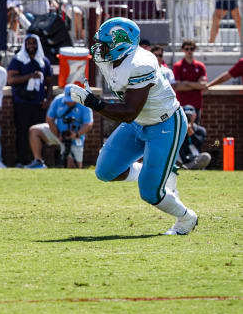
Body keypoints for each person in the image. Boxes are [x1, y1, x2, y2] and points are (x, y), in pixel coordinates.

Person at [68, 17, 197, 235]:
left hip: (164, 125)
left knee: (150, 193)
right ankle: (153, 172)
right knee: (106, 171)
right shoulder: (110, 58)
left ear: (122, 45)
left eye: (106, 44)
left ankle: (186, 218)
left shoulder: (140, 63)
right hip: (138, 123)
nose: (100, 48)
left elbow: (129, 112)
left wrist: (91, 101)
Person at [7, 34, 52, 167]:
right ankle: (21, 160)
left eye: (33, 43)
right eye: (28, 43)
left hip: (38, 103)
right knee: (22, 131)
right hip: (22, 102)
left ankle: (38, 160)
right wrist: (31, 76)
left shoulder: (43, 60)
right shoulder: (18, 60)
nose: (31, 46)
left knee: (39, 132)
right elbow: (11, 80)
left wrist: (47, 98)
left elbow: (49, 82)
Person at [26, 86, 93, 169]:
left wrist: (76, 134)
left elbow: (88, 124)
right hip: (57, 132)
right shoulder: (58, 100)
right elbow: (49, 119)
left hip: (75, 137)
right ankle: (38, 162)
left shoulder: (85, 104)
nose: (69, 102)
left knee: (73, 167)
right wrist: (58, 134)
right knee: (34, 130)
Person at [172, 40, 207, 119]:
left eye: (191, 49)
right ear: (183, 50)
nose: (189, 51)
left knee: (196, 129)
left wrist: (186, 82)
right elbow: (178, 87)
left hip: (196, 104)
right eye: (187, 49)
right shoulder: (178, 66)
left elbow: (203, 85)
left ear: (194, 50)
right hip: (182, 104)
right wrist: (196, 85)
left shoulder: (200, 66)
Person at [178, 105, 211, 170]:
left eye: (190, 115)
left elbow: (199, 143)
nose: (188, 118)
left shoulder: (200, 130)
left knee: (206, 156)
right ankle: (186, 167)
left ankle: (185, 168)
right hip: (181, 159)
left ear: (195, 115)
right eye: (186, 115)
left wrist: (191, 132)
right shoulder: (178, 130)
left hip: (195, 159)